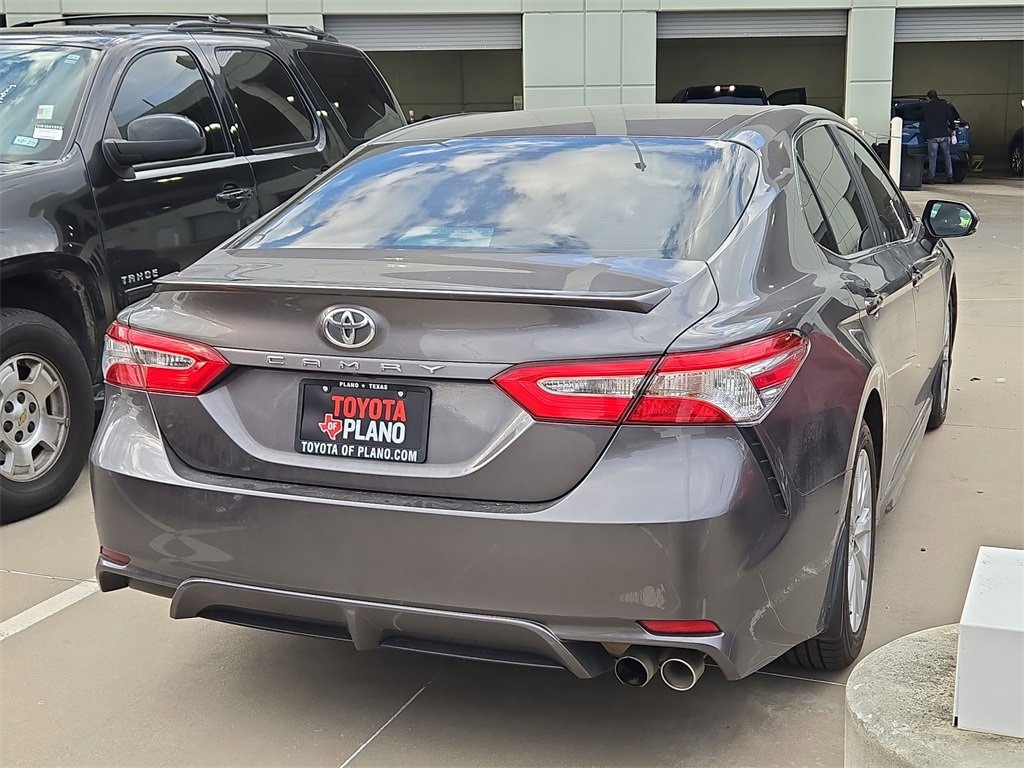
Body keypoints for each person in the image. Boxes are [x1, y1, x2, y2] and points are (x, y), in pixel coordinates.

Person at [921, 90, 957, 183]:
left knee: (932, 157)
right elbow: (950, 118)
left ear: (929, 97)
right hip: (944, 134)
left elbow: (922, 118)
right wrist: (952, 129)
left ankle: (931, 178)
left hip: (932, 135)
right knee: (947, 156)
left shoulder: (927, 107)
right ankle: (950, 176)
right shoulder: (944, 105)